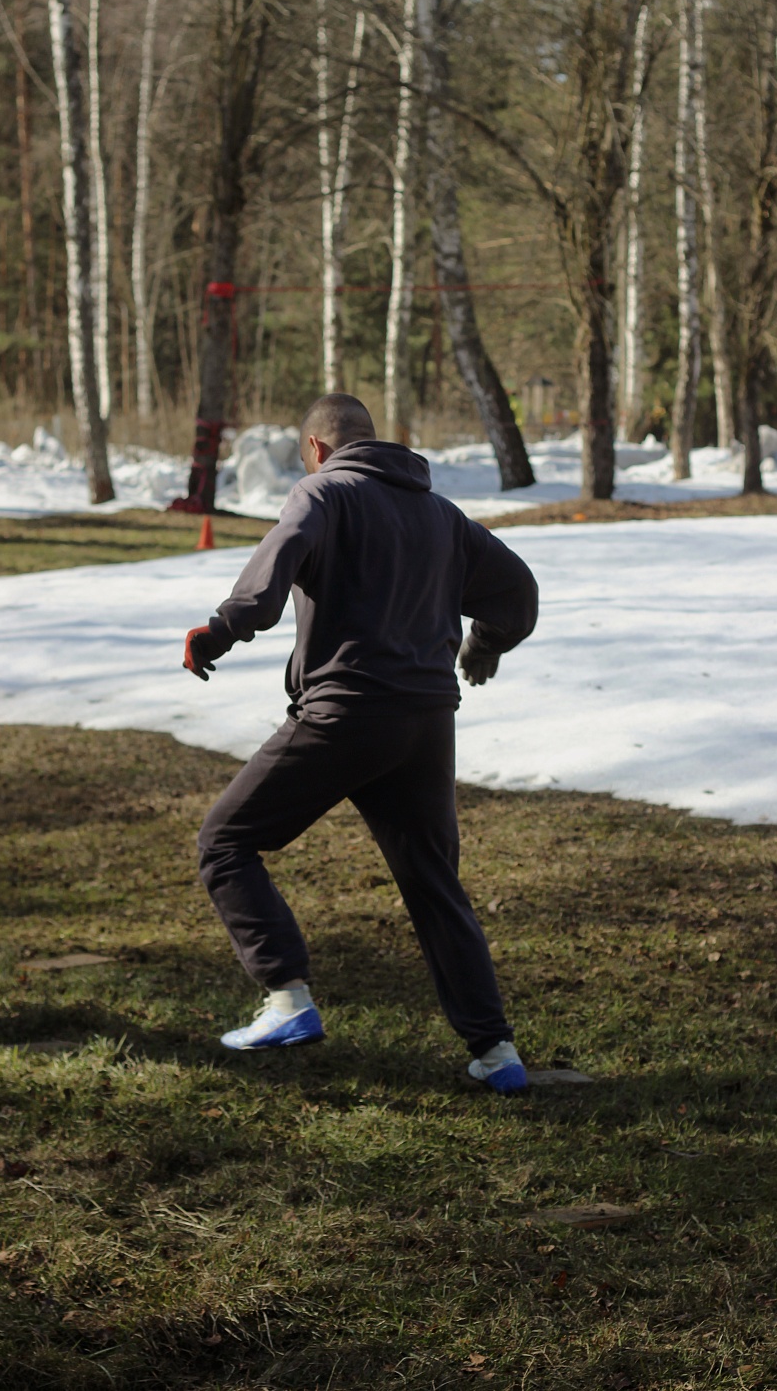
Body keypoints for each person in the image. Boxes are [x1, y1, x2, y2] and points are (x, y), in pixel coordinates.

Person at [183, 393, 539, 1092]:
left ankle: (286, 998)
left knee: (224, 842)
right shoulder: (440, 514)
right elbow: (517, 591)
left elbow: (274, 568)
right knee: (435, 885)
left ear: (316, 448)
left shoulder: (323, 492)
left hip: (346, 712)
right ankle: (497, 1053)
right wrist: (485, 643)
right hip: (427, 721)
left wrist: (220, 629)